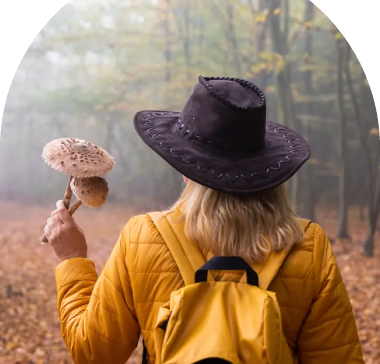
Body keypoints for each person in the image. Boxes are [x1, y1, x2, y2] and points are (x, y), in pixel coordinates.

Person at [44, 76, 364, 364]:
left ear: (187, 168)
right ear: (269, 170)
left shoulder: (142, 237)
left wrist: (72, 259)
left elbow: (92, 353)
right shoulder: (308, 246)